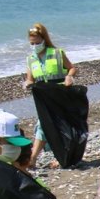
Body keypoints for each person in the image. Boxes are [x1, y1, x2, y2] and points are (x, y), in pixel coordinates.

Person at [23, 23, 78, 168]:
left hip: (60, 95)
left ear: (44, 39)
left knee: (61, 126)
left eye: (37, 42)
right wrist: (27, 83)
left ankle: (51, 157)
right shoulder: (31, 59)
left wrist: (69, 77)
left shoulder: (57, 53)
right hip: (44, 98)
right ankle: (35, 158)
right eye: (32, 43)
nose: (34, 46)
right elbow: (30, 78)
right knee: (43, 125)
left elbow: (72, 68)